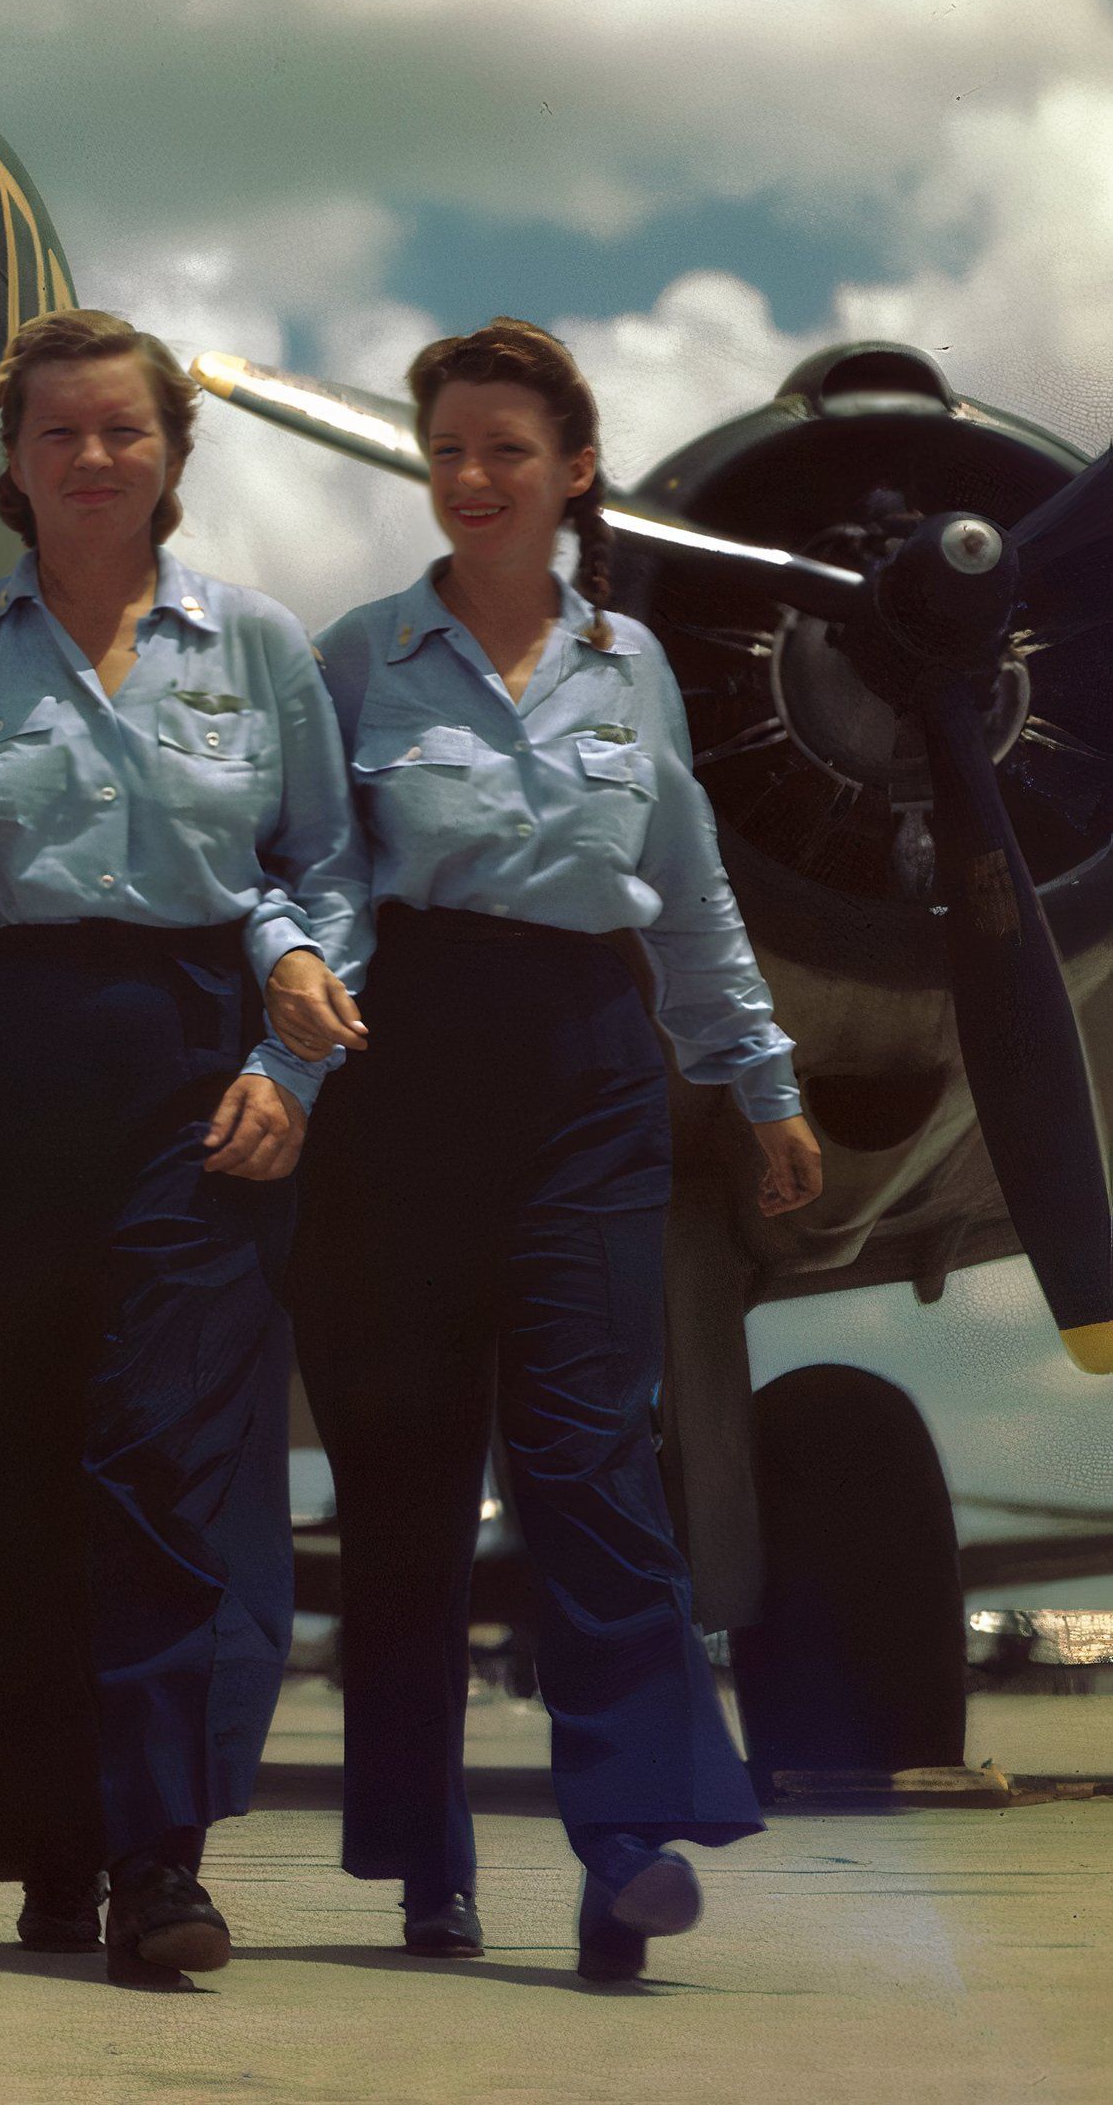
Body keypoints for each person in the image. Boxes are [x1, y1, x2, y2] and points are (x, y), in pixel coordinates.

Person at [300, 317, 820, 1981]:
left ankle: (627, 1842)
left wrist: (757, 1076)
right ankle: (422, 1863)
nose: (470, 478)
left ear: (571, 468)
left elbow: (690, 889)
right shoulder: (358, 658)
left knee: (591, 1457)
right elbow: (312, 877)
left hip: (589, 1079)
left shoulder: (630, 665)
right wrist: (286, 1036)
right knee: (401, 1484)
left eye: (504, 449)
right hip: (402, 1072)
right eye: (446, 449)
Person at [0, 307, 362, 1984]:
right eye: (57, 432)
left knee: (167, 1463)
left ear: (170, 458)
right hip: (1, 1067)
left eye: (121, 432)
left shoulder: (256, 647)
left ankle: (161, 1853)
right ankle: (48, 1852)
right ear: (8, 461)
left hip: (190, 1078)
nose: (90, 459)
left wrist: (290, 1061)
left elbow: (321, 872)